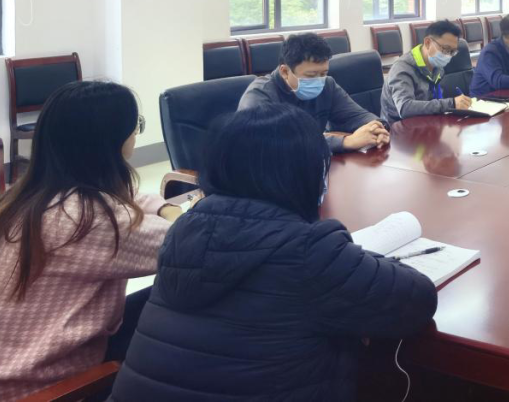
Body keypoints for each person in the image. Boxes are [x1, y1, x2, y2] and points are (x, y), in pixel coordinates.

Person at [110, 104, 438, 400]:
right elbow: (417, 301)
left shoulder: (183, 231)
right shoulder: (310, 250)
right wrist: (349, 255)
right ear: (304, 174)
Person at [0, 81, 182, 400]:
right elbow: (186, 245)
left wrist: (161, 205)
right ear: (112, 140)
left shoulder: (24, 198)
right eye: (135, 126)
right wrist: (175, 213)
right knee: (179, 310)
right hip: (41, 388)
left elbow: (126, 198)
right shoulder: (94, 221)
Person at [239, 32, 389, 153]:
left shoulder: (327, 85)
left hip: (314, 165)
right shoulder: (259, 96)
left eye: (323, 73)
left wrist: (376, 128)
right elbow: (279, 144)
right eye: (311, 75)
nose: (318, 80)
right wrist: (345, 142)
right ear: (285, 71)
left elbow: (357, 115)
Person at [380, 20, 472, 123]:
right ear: (428, 43)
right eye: (446, 49)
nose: (448, 56)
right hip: (399, 128)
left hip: (428, 122)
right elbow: (405, 108)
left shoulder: (437, 66)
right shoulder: (402, 68)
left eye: (452, 52)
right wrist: (451, 104)